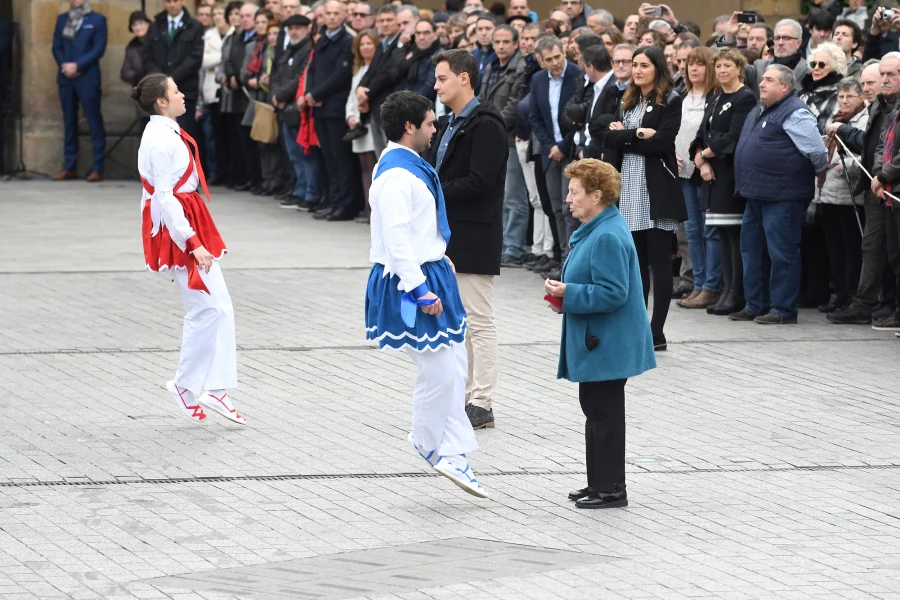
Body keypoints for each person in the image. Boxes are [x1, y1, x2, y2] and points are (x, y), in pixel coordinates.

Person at [365, 90, 487, 498]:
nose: (436, 129)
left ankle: (450, 448)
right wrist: (419, 288)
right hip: (409, 280)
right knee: (439, 368)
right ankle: (431, 442)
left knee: (451, 364)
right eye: (431, 123)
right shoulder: (396, 177)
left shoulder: (408, 165)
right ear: (409, 127)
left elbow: (416, 229)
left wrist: (438, 254)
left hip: (429, 269)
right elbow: (397, 240)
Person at [133, 73, 244, 426]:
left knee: (218, 307)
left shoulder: (164, 132)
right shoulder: (159, 140)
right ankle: (190, 385)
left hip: (186, 218)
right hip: (180, 225)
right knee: (207, 309)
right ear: (161, 102)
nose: (183, 95)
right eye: (176, 91)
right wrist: (191, 243)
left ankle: (213, 387)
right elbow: (163, 196)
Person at [545, 158, 655, 509]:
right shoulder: (599, 227)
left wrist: (568, 294)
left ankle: (610, 489)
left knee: (603, 412)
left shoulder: (606, 234)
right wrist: (565, 297)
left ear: (596, 195)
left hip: (608, 343)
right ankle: (600, 482)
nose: (568, 198)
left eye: (575, 192)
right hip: (602, 342)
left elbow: (613, 292)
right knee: (595, 408)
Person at [430, 50, 508, 430]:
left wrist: (434, 190)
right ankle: (464, 393)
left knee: (478, 320)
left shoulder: (486, 124)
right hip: (450, 235)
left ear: (464, 78)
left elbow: (481, 181)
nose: (436, 85)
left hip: (476, 234)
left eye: (442, 78)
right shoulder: (448, 123)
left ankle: (483, 399)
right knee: (457, 321)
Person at [731, 65, 829, 324]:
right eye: (762, 79)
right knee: (751, 251)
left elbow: (817, 152)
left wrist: (819, 173)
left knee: (782, 253)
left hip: (783, 196)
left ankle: (783, 309)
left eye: (769, 80)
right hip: (755, 193)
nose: (761, 83)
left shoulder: (795, 112)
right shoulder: (759, 109)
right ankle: (755, 304)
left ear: (785, 87)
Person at [605, 46, 687, 350]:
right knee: (636, 264)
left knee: (659, 263)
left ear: (658, 68)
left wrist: (627, 134)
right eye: (634, 65)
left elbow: (663, 142)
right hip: (629, 187)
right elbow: (608, 136)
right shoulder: (629, 100)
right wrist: (638, 134)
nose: (637, 70)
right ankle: (637, 325)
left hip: (656, 190)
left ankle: (657, 332)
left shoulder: (671, 100)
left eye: (644, 65)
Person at [828, 59, 893, 325]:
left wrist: (883, 175)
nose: (866, 87)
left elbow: (882, 148)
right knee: (873, 247)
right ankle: (867, 303)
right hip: (874, 186)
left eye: (872, 81)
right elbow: (869, 144)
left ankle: (883, 303)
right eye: (863, 82)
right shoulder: (880, 105)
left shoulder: (891, 107)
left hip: (887, 184)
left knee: (888, 250)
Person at [692, 48, 756, 317]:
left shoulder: (745, 97)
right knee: (722, 235)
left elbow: (733, 136)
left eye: (727, 66)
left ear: (739, 68)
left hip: (730, 174)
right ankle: (726, 289)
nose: (722, 71)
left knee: (735, 236)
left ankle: (736, 292)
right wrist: (701, 158)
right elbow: (702, 133)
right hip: (711, 174)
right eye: (718, 66)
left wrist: (705, 155)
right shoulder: (716, 96)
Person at [814, 77, 868, 313]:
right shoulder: (834, 120)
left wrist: (842, 164)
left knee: (851, 247)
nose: (844, 101)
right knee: (833, 247)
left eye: (849, 97)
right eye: (841, 97)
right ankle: (839, 293)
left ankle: (850, 294)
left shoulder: (863, 120)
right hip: (828, 192)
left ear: (861, 98)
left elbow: (864, 155)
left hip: (850, 194)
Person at [306, 0, 363, 221]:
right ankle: (335, 201)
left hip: (335, 107)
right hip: (319, 108)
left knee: (341, 159)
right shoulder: (321, 39)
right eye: (327, 13)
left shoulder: (347, 41)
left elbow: (340, 76)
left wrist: (316, 94)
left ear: (343, 15)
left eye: (336, 13)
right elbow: (313, 69)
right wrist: (310, 93)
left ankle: (346, 205)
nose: (331, 17)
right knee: (328, 158)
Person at [529, 36, 583, 266]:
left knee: (570, 206)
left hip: (570, 150)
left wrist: (563, 146)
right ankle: (562, 258)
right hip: (550, 151)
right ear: (541, 61)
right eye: (549, 59)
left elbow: (582, 117)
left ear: (564, 53)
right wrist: (551, 145)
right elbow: (535, 117)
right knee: (555, 208)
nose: (555, 63)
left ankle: (573, 260)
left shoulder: (577, 74)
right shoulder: (538, 79)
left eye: (557, 57)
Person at [673, 45, 719, 311]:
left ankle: (711, 285)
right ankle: (698, 283)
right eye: (690, 63)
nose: (693, 68)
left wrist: (703, 157)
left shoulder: (714, 96)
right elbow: (673, 130)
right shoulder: (682, 96)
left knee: (708, 229)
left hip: (705, 171)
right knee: (690, 231)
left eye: (700, 64)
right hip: (682, 171)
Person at [479, 25, 528, 268]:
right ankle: (504, 244)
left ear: (516, 44)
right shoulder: (491, 66)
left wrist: (490, 126)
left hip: (508, 137)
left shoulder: (519, 69)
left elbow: (513, 105)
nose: (500, 46)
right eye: (497, 41)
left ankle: (514, 247)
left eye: (505, 41)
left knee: (514, 196)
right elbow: (483, 99)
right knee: (500, 195)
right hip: (492, 137)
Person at [52, 0, 108, 182]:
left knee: (93, 120)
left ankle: (98, 167)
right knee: (69, 121)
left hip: (87, 77)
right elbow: (56, 46)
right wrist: (65, 66)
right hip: (66, 78)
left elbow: (98, 49)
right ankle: (70, 166)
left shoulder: (97, 19)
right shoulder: (62, 19)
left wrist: (78, 65)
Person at [142, 0, 205, 141]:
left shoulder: (195, 26)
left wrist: (171, 79)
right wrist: (161, 80)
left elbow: (195, 58)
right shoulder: (155, 26)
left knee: (183, 136)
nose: (172, 5)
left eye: (175, 1)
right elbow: (146, 57)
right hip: (159, 94)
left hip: (185, 92)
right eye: (168, 1)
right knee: (162, 138)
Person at [271, 14, 314, 209]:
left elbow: (299, 77)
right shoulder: (289, 49)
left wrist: (280, 95)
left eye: (298, 28)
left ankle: (310, 193)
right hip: (284, 108)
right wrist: (275, 95)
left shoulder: (307, 49)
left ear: (307, 28)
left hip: (296, 107)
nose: (294, 32)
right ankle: (299, 189)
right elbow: (277, 75)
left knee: (304, 154)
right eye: (291, 28)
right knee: (293, 154)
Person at [356, 5, 406, 155]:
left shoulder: (402, 42)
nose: (385, 24)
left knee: (393, 157)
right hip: (376, 109)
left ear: (398, 21)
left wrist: (367, 93)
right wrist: (359, 88)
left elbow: (390, 73)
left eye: (389, 20)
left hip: (392, 109)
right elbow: (371, 71)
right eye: (381, 20)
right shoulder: (382, 44)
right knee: (381, 158)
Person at [346, 29, 379, 221]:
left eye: (369, 44)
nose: (365, 47)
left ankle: (374, 209)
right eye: (362, 44)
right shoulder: (358, 69)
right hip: (357, 123)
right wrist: (350, 116)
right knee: (363, 165)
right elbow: (352, 95)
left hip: (370, 122)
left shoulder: (376, 68)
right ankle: (367, 207)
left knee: (372, 164)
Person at [406, 19, 441, 101]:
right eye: (418, 33)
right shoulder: (413, 54)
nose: (421, 37)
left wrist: (407, 102)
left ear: (435, 35)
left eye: (426, 33)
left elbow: (429, 87)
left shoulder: (439, 56)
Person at [121, 11, 151, 87]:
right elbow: (125, 72)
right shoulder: (131, 46)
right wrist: (137, 78)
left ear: (148, 24)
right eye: (134, 25)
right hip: (140, 87)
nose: (138, 28)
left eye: (141, 23)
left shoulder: (157, 41)